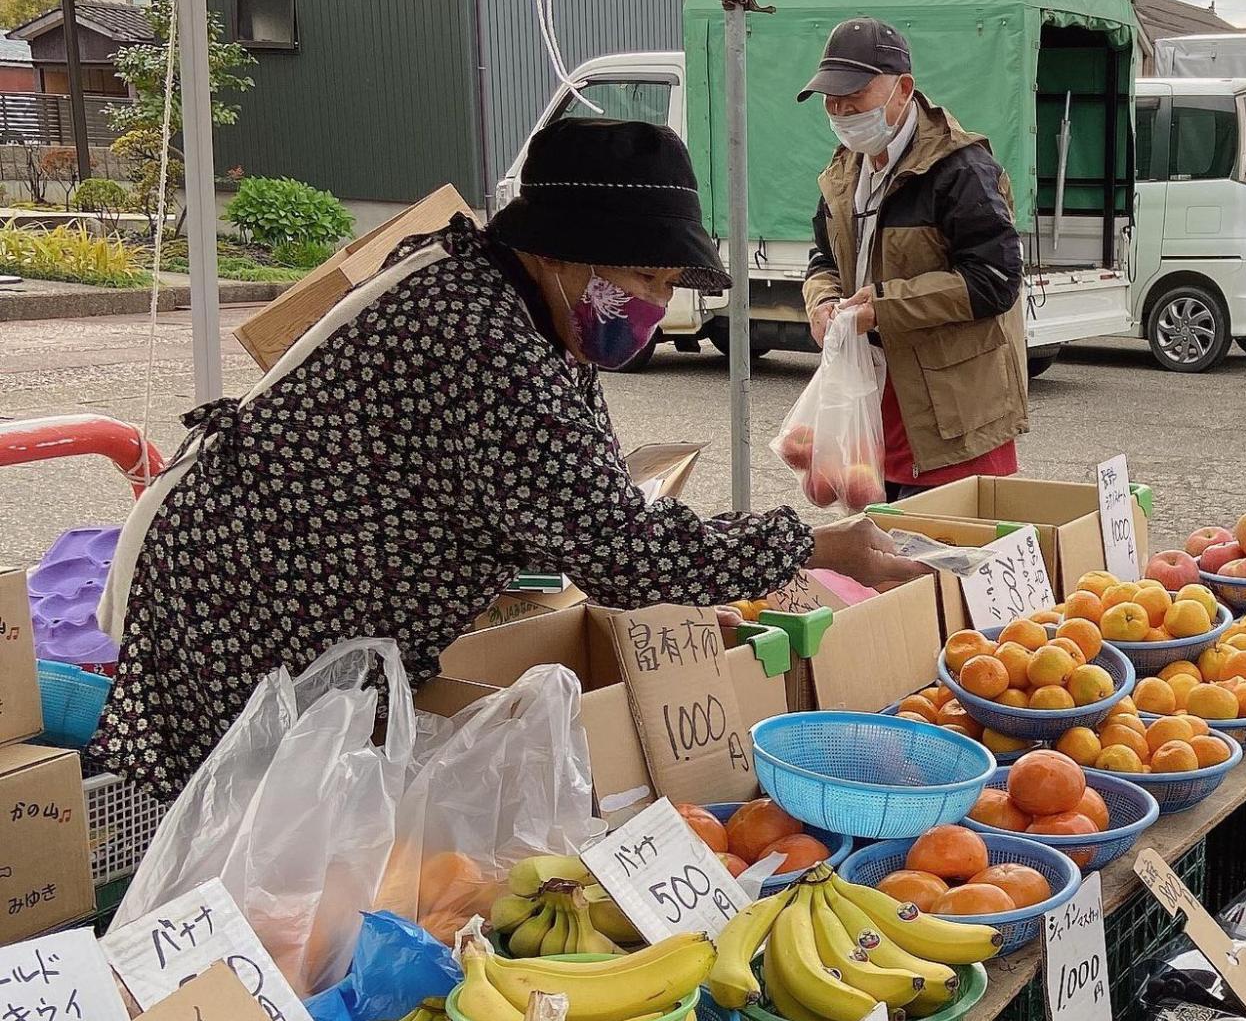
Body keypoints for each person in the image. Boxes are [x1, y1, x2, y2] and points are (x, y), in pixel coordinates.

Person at [94, 116, 922, 800]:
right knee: (248, 823)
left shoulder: (504, 291)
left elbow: (570, 485)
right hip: (248, 600)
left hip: (297, 584)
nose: (656, 303)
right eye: (642, 274)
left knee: (301, 812)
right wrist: (813, 543)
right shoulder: (485, 341)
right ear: (561, 251)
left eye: (672, 282)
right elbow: (624, 554)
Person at [798, 18, 1027, 499]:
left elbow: (994, 280)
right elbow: (823, 257)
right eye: (830, 99)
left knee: (945, 557)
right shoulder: (842, 172)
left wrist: (881, 307)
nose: (839, 110)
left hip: (951, 411)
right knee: (876, 554)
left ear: (903, 89)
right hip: (872, 398)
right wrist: (821, 302)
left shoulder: (961, 169)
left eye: (853, 96)